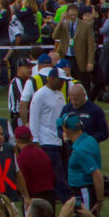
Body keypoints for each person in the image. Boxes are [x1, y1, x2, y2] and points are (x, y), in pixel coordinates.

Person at [28, 67, 69, 202]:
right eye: (61, 80)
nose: (63, 83)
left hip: (59, 139)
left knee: (62, 171)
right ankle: (68, 201)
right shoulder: (40, 95)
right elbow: (34, 117)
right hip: (47, 141)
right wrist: (35, 141)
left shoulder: (60, 95)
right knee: (57, 173)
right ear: (52, 78)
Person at [63, 112, 103, 216]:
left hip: (84, 191)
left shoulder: (80, 150)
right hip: (85, 191)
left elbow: (97, 174)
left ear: (67, 130)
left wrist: (99, 201)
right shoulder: (90, 140)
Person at [53, 4, 95, 89]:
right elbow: (55, 36)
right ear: (67, 14)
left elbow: (91, 45)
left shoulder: (85, 26)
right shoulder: (64, 25)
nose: (72, 17)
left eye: (74, 15)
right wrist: (61, 21)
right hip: (66, 56)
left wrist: (90, 62)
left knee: (81, 82)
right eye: (71, 15)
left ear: (77, 13)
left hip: (79, 58)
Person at [14, 125, 55, 205]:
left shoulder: (22, 157)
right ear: (31, 138)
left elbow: (22, 181)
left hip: (33, 197)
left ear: (16, 140)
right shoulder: (43, 153)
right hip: (49, 196)